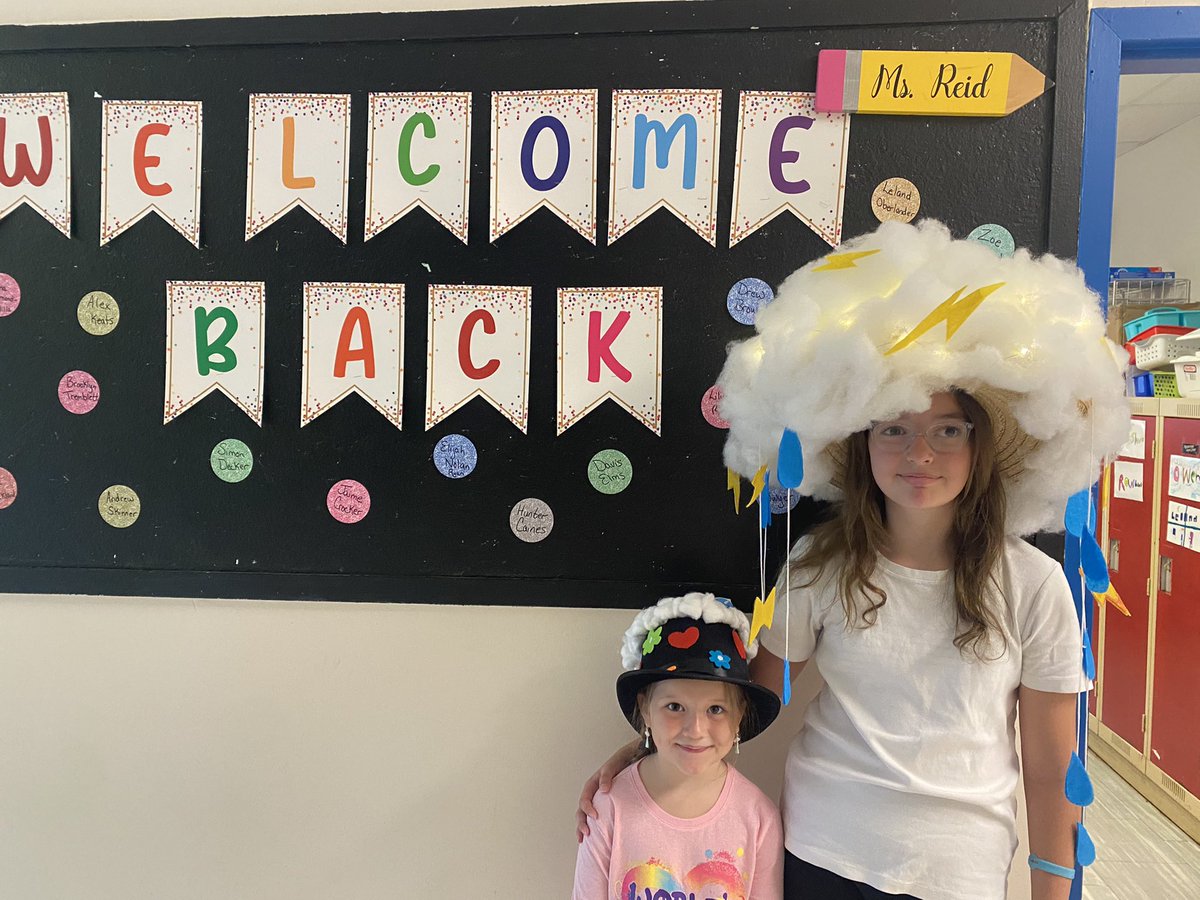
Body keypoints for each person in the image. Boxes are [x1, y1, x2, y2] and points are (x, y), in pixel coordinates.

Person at [578, 220, 1131, 900]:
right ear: (863, 445)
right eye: (894, 428)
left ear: (979, 446)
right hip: (822, 853)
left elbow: (1051, 769)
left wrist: (1052, 891)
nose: (919, 453)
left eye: (947, 430)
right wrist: (645, 749)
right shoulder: (821, 563)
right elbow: (748, 696)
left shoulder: (1035, 585)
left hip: (959, 871)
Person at [573, 592, 785, 900]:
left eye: (715, 709)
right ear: (645, 709)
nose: (695, 730)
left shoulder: (759, 818)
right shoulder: (610, 807)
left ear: (739, 715)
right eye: (674, 707)